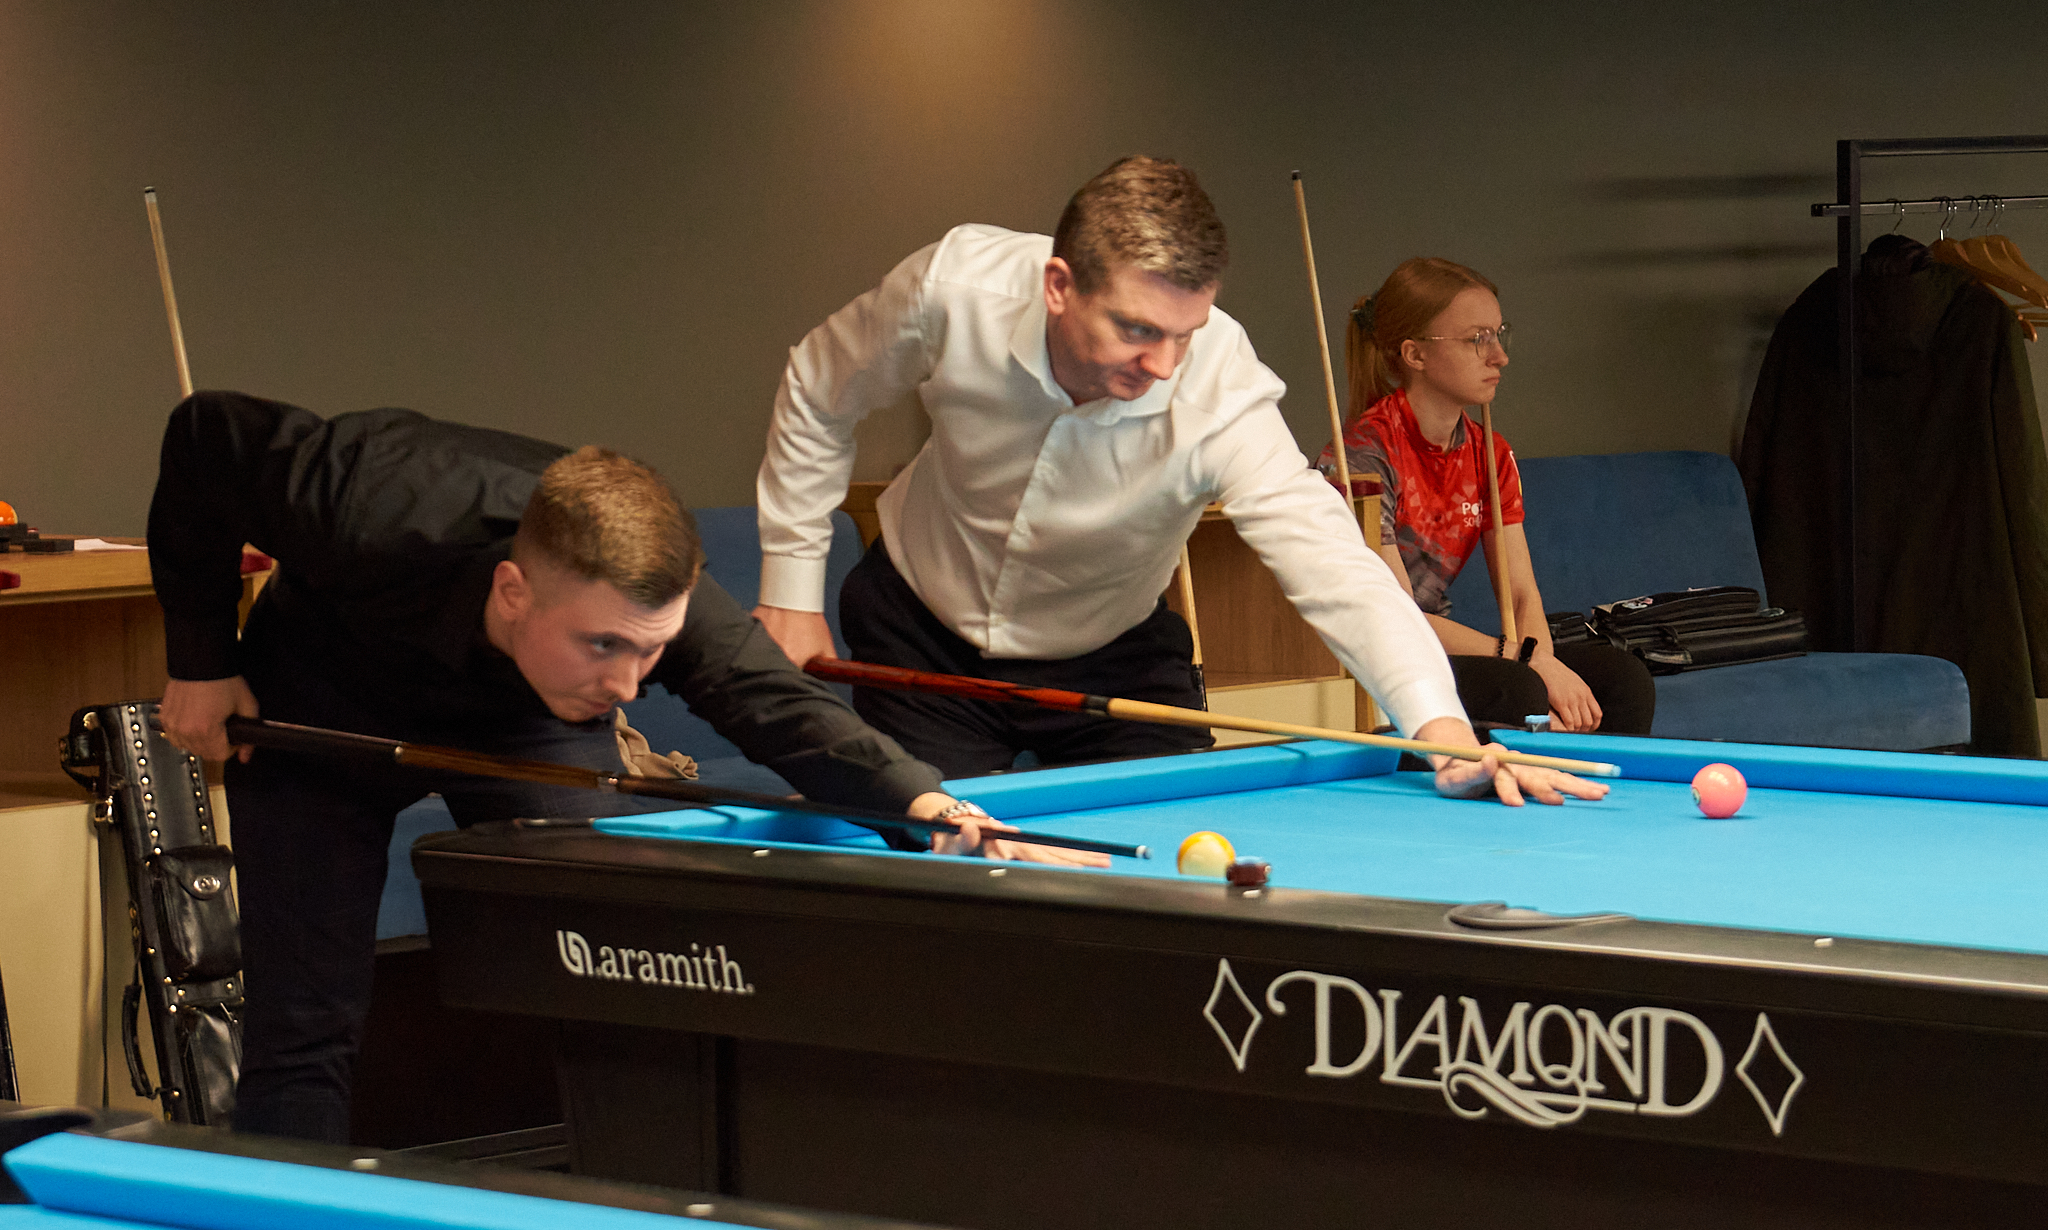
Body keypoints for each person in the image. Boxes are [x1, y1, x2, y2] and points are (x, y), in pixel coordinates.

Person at [149, 391, 1070, 1145]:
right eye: (605, 645)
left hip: (523, 720)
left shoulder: (649, 614)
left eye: (651, 651)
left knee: (617, 970)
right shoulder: (371, 498)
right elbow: (203, 436)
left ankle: (643, 1213)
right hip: (321, 700)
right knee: (302, 1025)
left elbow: (786, 712)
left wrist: (929, 804)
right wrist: (200, 657)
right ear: (514, 591)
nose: (629, 685)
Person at [753, 155, 1608, 804]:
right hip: (921, 634)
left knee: (1170, 890)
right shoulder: (952, 289)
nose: (1164, 365)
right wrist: (790, 589)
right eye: (1136, 329)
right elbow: (819, 390)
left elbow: (1333, 562)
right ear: (1059, 286)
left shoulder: (1219, 387)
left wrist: (1441, 727)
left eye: (1186, 331)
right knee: (944, 862)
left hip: (1113, 659)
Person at [1321, 257, 1655, 734]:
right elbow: (1397, 616)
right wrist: (1524, 663)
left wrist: (1542, 663)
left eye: (1499, 335)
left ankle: (1580, 781)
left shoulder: (1489, 452)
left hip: (1442, 651)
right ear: (1415, 354)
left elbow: (1521, 595)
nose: (1499, 356)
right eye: (1477, 339)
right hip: (1374, 659)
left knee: (1623, 680)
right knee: (1517, 691)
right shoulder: (1360, 458)